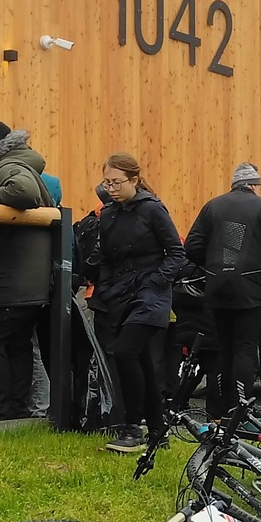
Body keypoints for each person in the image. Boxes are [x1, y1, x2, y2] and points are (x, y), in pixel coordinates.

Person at [83, 153, 185, 450]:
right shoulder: (109, 214)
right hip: (121, 294)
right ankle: (157, 429)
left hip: (151, 295)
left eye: (117, 182)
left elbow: (176, 253)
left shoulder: (153, 210)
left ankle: (132, 426)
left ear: (134, 181)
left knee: (126, 352)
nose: (111, 188)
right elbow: (106, 259)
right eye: (107, 182)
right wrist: (108, 287)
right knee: (139, 360)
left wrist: (155, 280)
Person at [184, 161, 261, 415]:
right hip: (251, 291)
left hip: (218, 288)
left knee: (222, 348)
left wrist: (213, 266)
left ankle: (219, 405)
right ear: (253, 185)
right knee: (244, 347)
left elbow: (191, 246)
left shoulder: (213, 206)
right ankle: (239, 407)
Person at [0, 118, 54, 421]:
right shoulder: (13, 164)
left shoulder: (7, 167)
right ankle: (15, 413)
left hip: (11, 280)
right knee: (16, 345)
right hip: (28, 281)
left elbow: (23, 191)